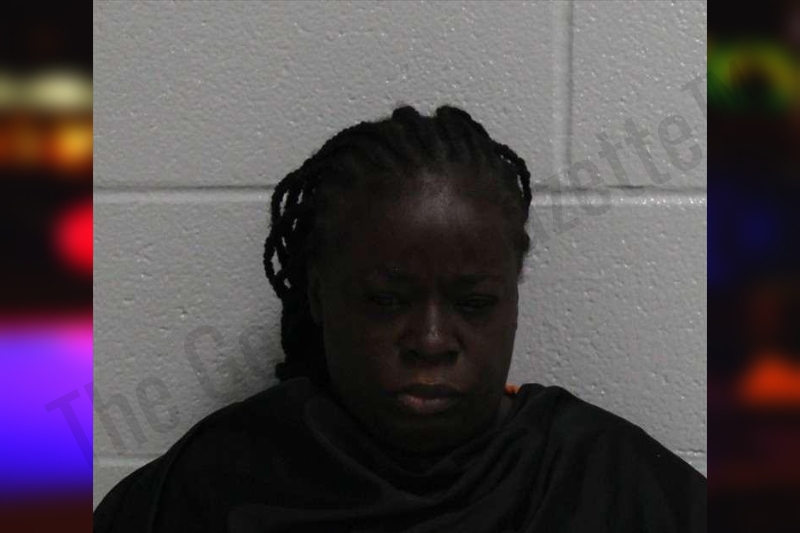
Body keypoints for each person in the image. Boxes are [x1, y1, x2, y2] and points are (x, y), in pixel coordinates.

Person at [94, 105, 706, 532]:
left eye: (474, 303)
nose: (431, 342)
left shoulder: (610, 484)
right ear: (318, 297)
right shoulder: (214, 486)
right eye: (386, 301)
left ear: (513, 298)